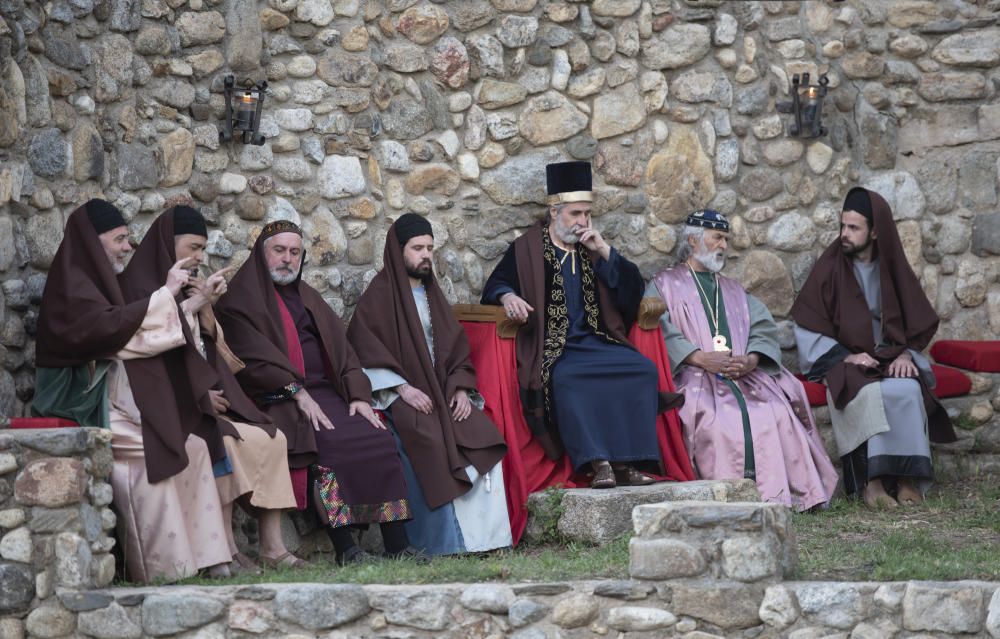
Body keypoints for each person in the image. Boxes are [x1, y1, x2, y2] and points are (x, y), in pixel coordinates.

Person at [33, 199, 233, 583]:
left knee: (190, 445)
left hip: (109, 405)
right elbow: (120, 337)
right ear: (94, 243)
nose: (128, 247)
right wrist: (169, 293)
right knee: (155, 449)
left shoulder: (97, 283)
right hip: (78, 406)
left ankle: (211, 558)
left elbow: (135, 333)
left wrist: (195, 301)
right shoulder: (71, 290)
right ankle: (163, 568)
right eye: (120, 239)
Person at [216, 220, 417, 565]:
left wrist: (357, 395)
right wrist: (296, 391)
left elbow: (343, 350)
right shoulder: (239, 301)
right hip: (280, 399)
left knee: (378, 436)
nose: (287, 259)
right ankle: (346, 550)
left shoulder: (307, 296)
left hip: (331, 395)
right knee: (330, 444)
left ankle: (397, 544)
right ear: (261, 255)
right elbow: (249, 360)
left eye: (295, 252)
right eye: (279, 251)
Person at [481, 160, 684, 489]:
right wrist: (507, 297)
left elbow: (632, 294)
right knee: (570, 378)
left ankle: (628, 462)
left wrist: (604, 251)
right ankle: (598, 462)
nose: (583, 222)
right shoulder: (528, 249)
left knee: (641, 369)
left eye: (587, 214)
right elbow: (494, 286)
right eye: (575, 214)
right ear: (554, 211)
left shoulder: (592, 250)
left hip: (599, 342)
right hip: (555, 349)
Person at [126, 205, 303, 570]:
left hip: (218, 396)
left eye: (203, 249)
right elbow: (143, 356)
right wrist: (197, 394)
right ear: (168, 245)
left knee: (272, 437)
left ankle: (273, 548)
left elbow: (210, 348)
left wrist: (205, 306)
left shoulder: (309, 300)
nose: (199, 257)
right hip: (170, 403)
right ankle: (225, 549)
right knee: (221, 439)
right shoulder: (141, 290)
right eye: (192, 248)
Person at [647, 210, 838, 510]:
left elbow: (762, 326)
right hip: (693, 374)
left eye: (726, 239)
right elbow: (657, 327)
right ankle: (722, 498)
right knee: (714, 418)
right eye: (717, 238)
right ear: (694, 240)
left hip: (743, 375)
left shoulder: (734, 290)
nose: (723, 245)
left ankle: (785, 496)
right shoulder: (665, 284)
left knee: (774, 409)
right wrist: (697, 357)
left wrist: (751, 360)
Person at [348, 214, 510, 555]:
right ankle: (446, 544)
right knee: (429, 440)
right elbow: (363, 351)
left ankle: (488, 541)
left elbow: (455, 351)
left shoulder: (433, 294)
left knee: (482, 437)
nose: (425, 255)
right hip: (404, 399)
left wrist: (461, 388)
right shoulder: (378, 297)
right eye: (417, 248)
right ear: (398, 250)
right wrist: (402, 389)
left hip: (443, 395)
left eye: (430, 249)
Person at [792, 187, 956, 508]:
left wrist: (906, 353)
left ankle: (908, 480)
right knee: (870, 394)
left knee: (908, 390)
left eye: (854, 228)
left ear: (875, 232)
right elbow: (807, 324)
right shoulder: (829, 267)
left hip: (888, 355)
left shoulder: (891, 266)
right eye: (843, 226)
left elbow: (916, 319)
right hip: (844, 361)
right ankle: (873, 483)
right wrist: (847, 356)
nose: (845, 234)